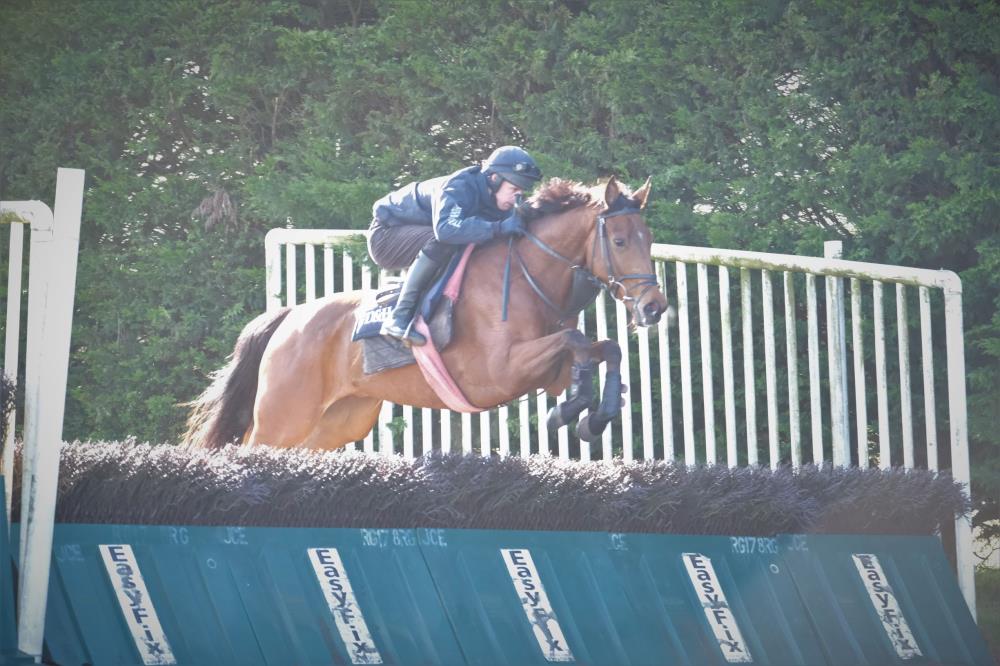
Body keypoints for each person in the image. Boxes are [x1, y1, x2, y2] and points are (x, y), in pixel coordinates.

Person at [367, 145, 542, 346]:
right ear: (495, 179)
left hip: (415, 233)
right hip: (386, 235)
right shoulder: (460, 186)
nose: (517, 197)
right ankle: (399, 317)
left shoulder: (496, 199)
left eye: (521, 191)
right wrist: (498, 227)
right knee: (447, 239)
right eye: (514, 189)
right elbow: (446, 230)